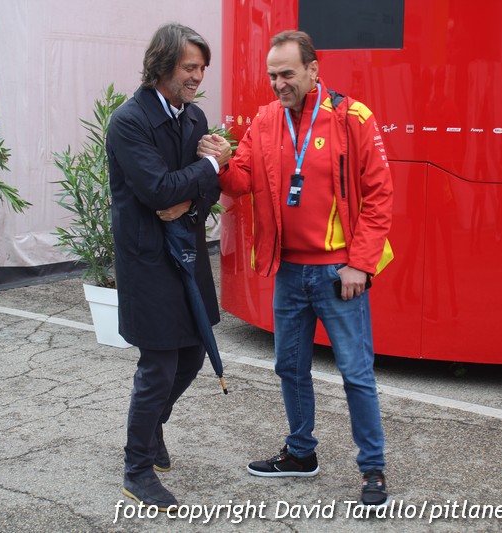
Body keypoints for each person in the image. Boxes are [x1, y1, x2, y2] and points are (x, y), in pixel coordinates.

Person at [202, 30, 394, 506]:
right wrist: (223, 163)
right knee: (289, 367)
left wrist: (359, 264)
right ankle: (301, 453)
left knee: (356, 373)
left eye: (287, 73)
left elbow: (379, 196)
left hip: (339, 274)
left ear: (313, 69)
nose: (279, 84)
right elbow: (241, 181)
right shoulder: (266, 120)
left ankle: (372, 468)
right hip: (288, 271)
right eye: (272, 75)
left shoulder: (353, 117)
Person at [106, 22, 231, 511]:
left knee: (193, 355)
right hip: (147, 259)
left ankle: (152, 426)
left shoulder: (194, 117)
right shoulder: (129, 121)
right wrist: (210, 167)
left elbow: (207, 189)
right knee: (158, 365)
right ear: (161, 66)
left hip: (187, 249)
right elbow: (157, 189)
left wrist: (190, 201)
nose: (197, 77)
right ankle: (137, 469)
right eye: (188, 67)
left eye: (202, 68)